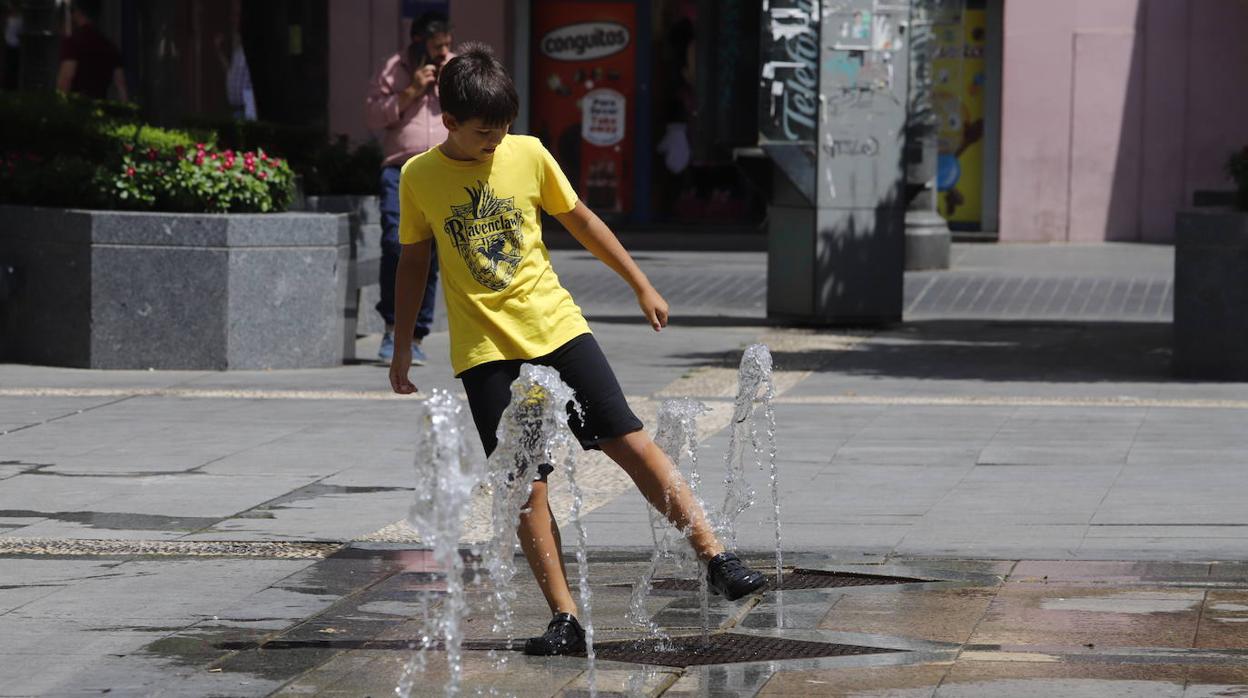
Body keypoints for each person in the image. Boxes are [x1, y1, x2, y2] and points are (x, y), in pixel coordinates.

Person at [388, 43, 767, 656]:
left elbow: (583, 221)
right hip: (485, 352)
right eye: (484, 133)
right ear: (449, 122)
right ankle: (565, 618)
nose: (495, 142)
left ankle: (717, 557)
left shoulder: (529, 154)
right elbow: (413, 261)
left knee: (629, 440)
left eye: (504, 129)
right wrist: (403, 346)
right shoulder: (419, 176)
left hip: (558, 328)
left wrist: (640, 282)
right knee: (524, 486)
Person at [365, 11, 453, 364]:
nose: (443, 52)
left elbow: (475, 108)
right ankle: (391, 329)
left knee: (429, 252)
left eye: (447, 45)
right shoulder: (393, 69)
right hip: (401, 168)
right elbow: (372, 116)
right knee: (396, 244)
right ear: (418, 43)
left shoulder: (454, 66)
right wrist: (412, 90)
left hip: (445, 168)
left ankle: (416, 335)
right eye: (437, 46)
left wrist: (449, 84)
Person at [56, 0, 126, 101]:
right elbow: (120, 84)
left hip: (76, 108)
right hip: (100, 107)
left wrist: (59, 105)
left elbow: (66, 78)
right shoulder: (109, 46)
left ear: (77, 12)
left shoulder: (73, 42)